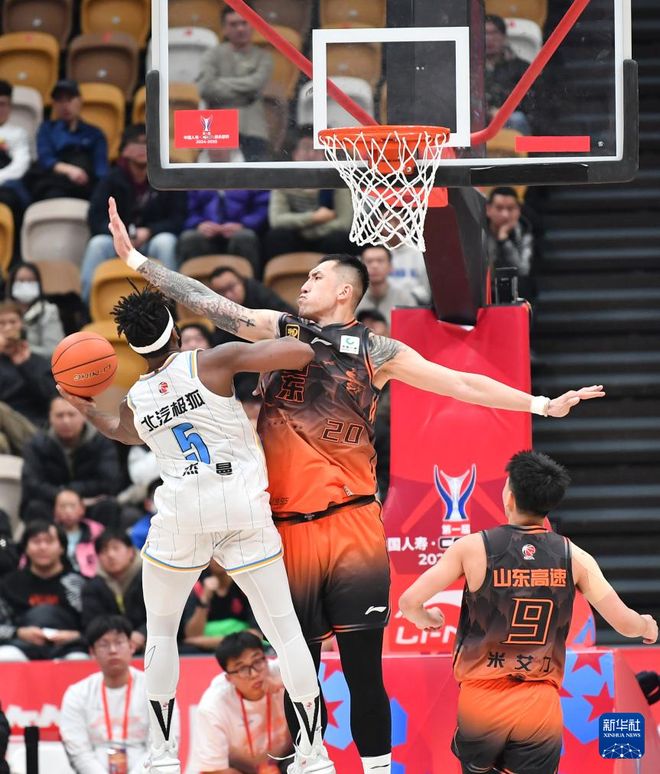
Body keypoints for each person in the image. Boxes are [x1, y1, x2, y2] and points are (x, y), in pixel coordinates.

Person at [109, 194, 605, 774]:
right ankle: (309, 762)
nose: (304, 284)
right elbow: (207, 302)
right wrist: (137, 261)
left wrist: (541, 404)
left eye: (316, 277)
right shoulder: (280, 329)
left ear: (345, 290)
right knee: (295, 660)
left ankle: (375, 769)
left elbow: (461, 384)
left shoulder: (378, 351)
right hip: (283, 526)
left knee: (363, 667)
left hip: (351, 524)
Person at [56, 271, 334, 774]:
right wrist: (287, 326)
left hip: (181, 513)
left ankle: (161, 757)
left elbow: (122, 431)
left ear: (132, 347)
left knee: (160, 634)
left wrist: (85, 406)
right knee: (285, 633)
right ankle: (314, 755)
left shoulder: (138, 397)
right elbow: (299, 354)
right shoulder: (212, 360)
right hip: (241, 506)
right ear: (175, 329)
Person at [399, 450, 658, 774]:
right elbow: (625, 624)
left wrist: (428, 619)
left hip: (481, 702)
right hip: (538, 705)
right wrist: (648, 626)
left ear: (509, 496)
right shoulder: (575, 557)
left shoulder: (472, 548)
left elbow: (409, 602)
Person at [80, 124, 185, 302]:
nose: (142, 149)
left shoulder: (167, 178)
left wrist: (150, 230)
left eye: (147, 143)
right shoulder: (111, 178)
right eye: (136, 143)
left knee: (166, 242)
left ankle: (172, 303)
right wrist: (118, 234)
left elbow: (178, 218)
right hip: (117, 240)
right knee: (97, 244)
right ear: (124, 149)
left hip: (151, 239)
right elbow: (95, 217)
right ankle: (87, 306)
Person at [59, 615, 159, 773]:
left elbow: (160, 746)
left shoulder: (156, 691)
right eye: (104, 645)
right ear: (92, 652)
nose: (112, 650)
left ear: (132, 646)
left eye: (119, 642)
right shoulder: (77, 694)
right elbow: (79, 752)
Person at [192, 632, 293, 774]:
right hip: (239, 769)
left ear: (265, 658)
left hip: (288, 760)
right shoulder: (212, 706)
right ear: (229, 678)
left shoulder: (287, 673)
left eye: (257, 661)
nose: (254, 674)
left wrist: (287, 685)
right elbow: (213, 770)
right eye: (242, 669)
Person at [21, 396, 122, 524]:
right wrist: (60, 495)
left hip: (89, 501)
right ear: (50, 417)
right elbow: (31, 482)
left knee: (108, 507)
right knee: (35, 508)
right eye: (60, 415)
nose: (66, 421)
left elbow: (109, 481)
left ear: (84, 416)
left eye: (71, 414)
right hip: (51, 502)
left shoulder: (101, 443)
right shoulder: (36, 445)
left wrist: (74, 492)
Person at [0, 520, 86, 661]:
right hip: (21, 648)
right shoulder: (7, 584)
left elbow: (97, 624)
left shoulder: (78, 584)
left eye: (49, 541)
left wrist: (75, 636)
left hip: (69, 648)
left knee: (79, 659)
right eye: (36, 542)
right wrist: (18, 632)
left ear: (62, 547)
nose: (42, 547)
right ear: (26, 548)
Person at [264, 129, 354, 261]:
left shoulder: (336, 182)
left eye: (316, 150)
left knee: (339, 238)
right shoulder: (284, 182)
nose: (311, 154)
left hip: (325, 238)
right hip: (295, 240)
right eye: (306, 148)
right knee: (277, 236)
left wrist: (308, 232)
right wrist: (314, 217)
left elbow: (344, 222)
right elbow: (277, 220)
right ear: (295, 154)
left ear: (324, 155)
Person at [197, 6, 273, 161]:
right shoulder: (212, 55)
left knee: (255, 175)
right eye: (233, 24)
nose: (240, 29)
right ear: (224, 29)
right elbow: (205, 88)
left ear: (253, 25)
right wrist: (245, 93)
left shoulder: (264, 57)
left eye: (244, 23)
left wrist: (220, 83)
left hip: (253, 129)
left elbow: (256, 84)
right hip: (218, 127)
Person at [26, 79, 108, 201]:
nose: (65, 106)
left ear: (80, 101)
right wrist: (70, 170)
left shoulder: (95, 133)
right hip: (52, 182)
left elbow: (101, 168)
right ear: (54, 104)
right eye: (59, 100)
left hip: (84, 184)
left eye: (69, 99)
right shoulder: (47, 129)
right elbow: (45, 158)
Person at [0, 300, 56, 454]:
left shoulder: (38, 361)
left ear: (22, 325)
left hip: (33, 429)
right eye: (2, 324)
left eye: (12, 322)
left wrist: (25, 366)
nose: (8, 328)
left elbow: (52, 399)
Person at [81, 529, 149, 654]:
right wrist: (118, 639)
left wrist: (142, 633)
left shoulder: (150, 578)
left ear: (131, 552)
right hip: (109, 648)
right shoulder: (92, 586)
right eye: (103, 551)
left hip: (151, 644)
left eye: (116, 548)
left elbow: (164, 615)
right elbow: (92, 624)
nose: (110, 555)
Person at [177, 188, 270, 275]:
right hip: (206, 231)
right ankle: (191, 283)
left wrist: (244, 224)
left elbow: (261, 208)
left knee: (245, 237)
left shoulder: (251, 178)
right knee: (190, 239)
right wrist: (199, 224)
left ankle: (248, 283)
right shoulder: (198, 179)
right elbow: (188, 210)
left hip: (241, 229)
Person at [184, 560, 259, 653]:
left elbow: (256, 634)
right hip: (205, 651)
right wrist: (204, 599)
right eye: (214, 556)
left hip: (242, 648)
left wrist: (207, 641)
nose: (218, 559)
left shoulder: (245, 587)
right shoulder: (197, 587)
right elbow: (192, 635)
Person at [485, 15, 534, 135]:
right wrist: (487, 112)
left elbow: (530, 103)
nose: (489, 38)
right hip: (480, 117)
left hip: (510, 119)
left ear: (503, 36)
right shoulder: (469, 67)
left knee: (518, 119)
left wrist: (502, 112)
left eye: (494, 33)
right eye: (485, 33)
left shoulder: (521, 68)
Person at [5, 262, 65, 358]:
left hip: (36, 364)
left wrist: (19, 348)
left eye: (30, 281)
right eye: (21, 280)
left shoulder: (48, 311)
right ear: (12, 283)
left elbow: (54, 350)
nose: (25, 285)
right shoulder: (3, 311)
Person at [486, 187, 535, 303]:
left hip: (517, 293)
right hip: (486, 294)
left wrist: (504, 241)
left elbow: (522, 270)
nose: (505, 215)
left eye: (510, 208)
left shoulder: (524, 232)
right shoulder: (479, 231)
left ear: (518, 210)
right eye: (499, 208)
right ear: (488, 209)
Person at [0, 79, 31, 263]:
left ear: (10, 107)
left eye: (3, 104)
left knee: (10, 199)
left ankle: (11, 258)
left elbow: (21, 166)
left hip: (6, 187)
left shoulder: (18, 133)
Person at [355, 245, 418, 326]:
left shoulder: (405, 299)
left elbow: (413, 328)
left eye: (380, 261)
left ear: (391, 266)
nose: (375, 266)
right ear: (361, 267)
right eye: (369, 261)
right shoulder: (353, 299)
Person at [54, 488, 104, 578]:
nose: (68, 511)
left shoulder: (97, 531)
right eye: (62, 506)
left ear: (82, 509)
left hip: (90, 578)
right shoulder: (49, 533)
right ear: (55, 510)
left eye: (72, 506)